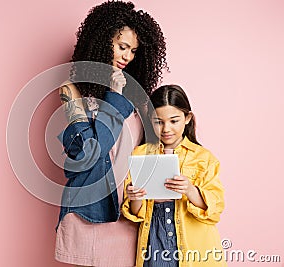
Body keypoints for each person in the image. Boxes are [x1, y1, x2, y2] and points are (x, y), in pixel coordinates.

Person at [55, 1, 167, 266]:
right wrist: (114, 97)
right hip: (89, 211)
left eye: (134, 51)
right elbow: (87, 153)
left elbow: (148, 152)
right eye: (122, 46)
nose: (127, 56)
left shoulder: (139, 97)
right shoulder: (72, 90)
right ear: (102, 40)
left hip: (130, 210)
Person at [123, 84, 226, 267]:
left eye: (174, 120)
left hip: (194, 245)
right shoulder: (140, 154)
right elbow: (134, 212)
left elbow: (215, 210)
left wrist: (190, 190)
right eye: (158, 121)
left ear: (187, 118)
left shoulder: (204, 158)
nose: (166, 129)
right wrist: (135, 197)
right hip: (154, 238)